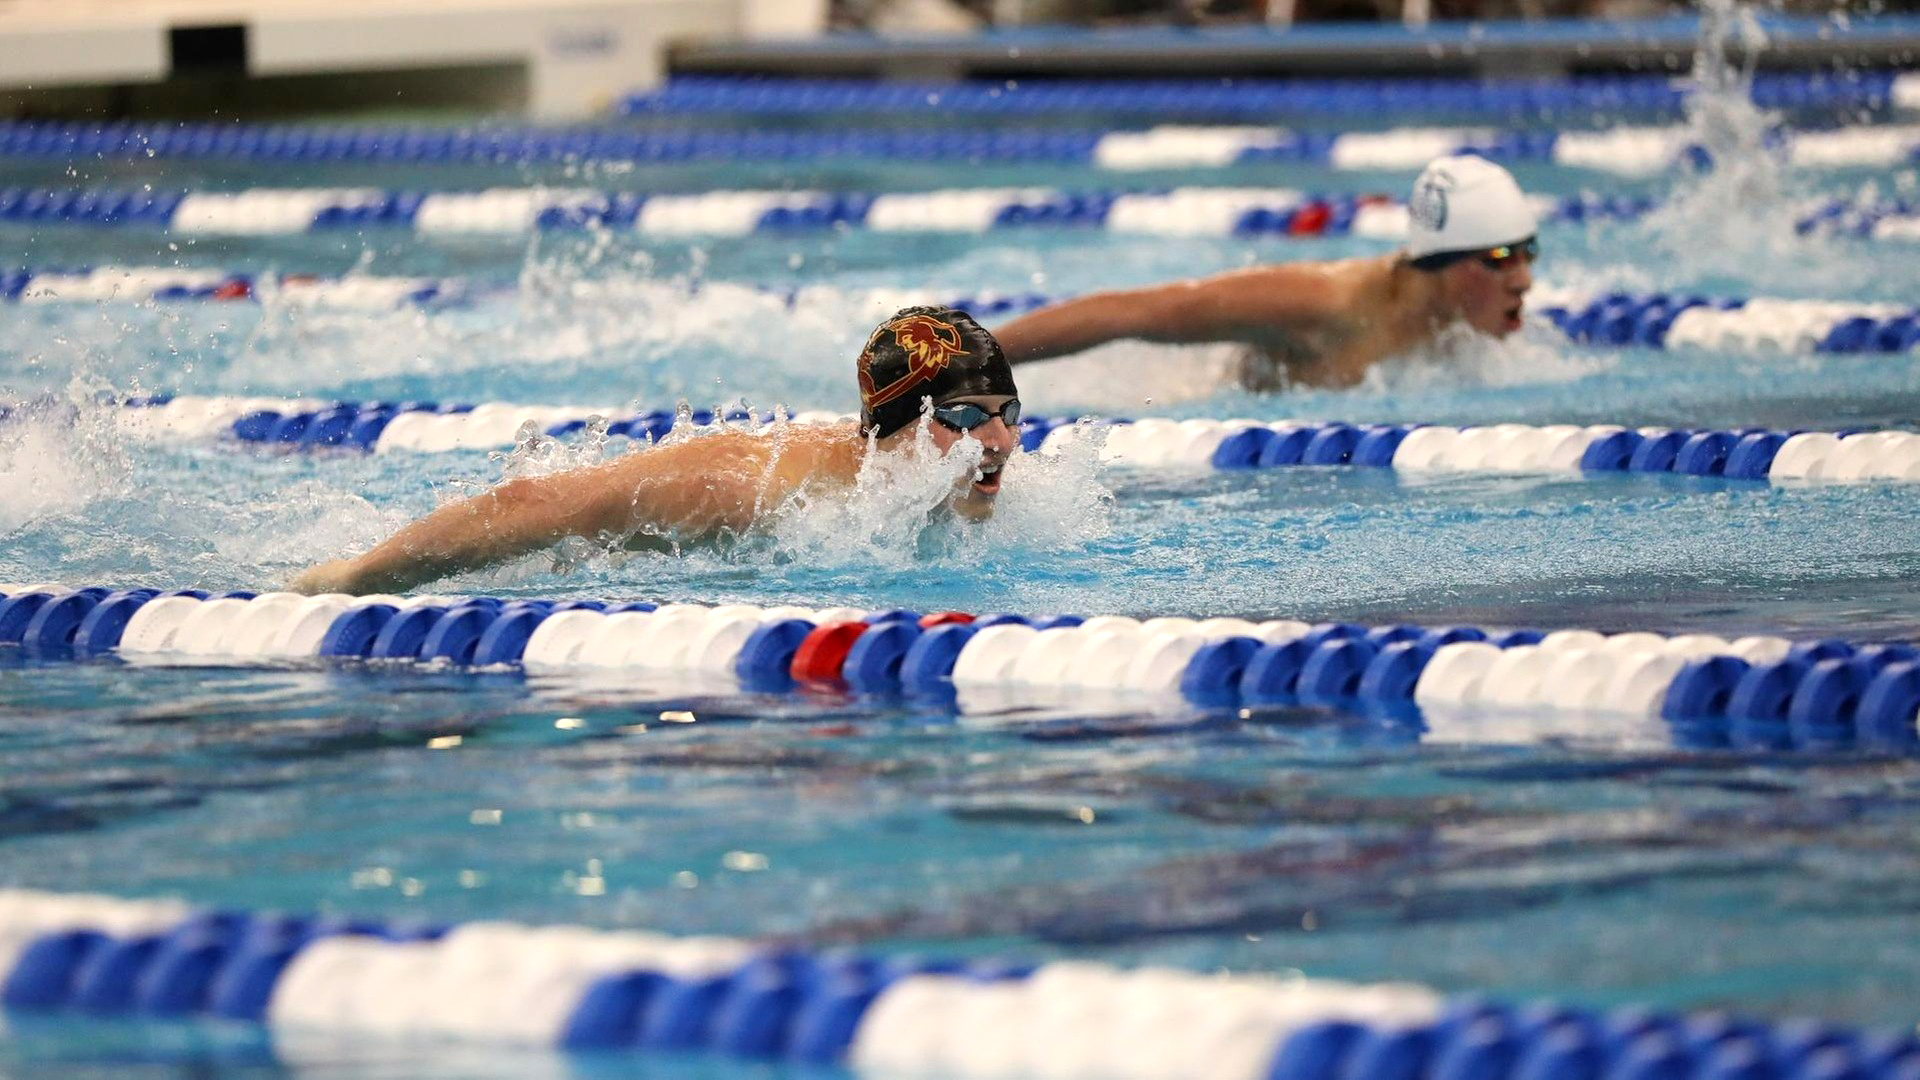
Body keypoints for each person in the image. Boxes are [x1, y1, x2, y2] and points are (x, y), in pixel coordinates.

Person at [289, 306, 1021, 596]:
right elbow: (538, 505)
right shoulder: (757, 494)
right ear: (890, 423)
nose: (995, 443)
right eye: (962, 416)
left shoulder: (965, 481)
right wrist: (348, 582)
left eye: (1006, 414)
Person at [990, 154, 1539, 390]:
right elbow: (1131, 312)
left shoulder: (1470, 330)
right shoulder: (1327, 306)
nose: (1522, 280)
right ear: (1438, 264)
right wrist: (972, 358)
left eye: (1526, 252)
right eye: (1498, 259)